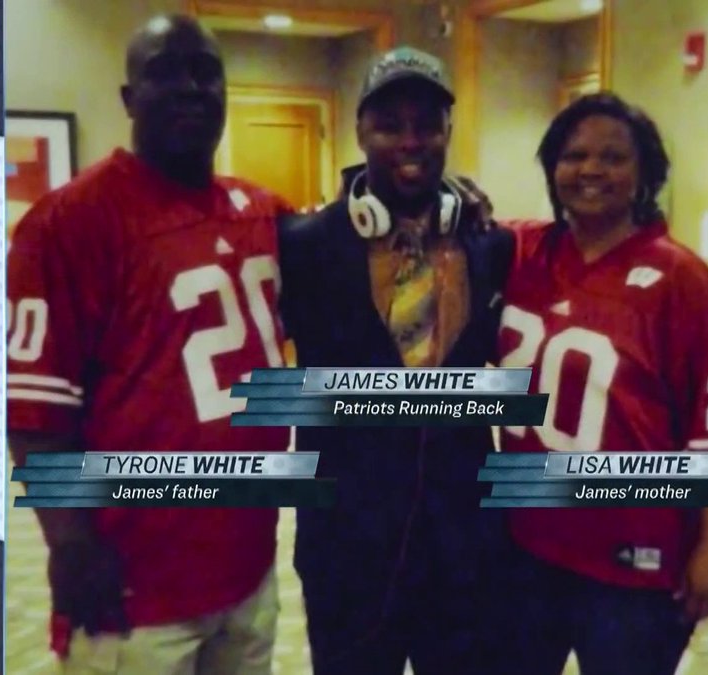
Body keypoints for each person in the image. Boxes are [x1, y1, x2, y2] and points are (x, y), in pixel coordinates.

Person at [6, 15, 293, 674]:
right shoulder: (70, 221)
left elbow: (355, 238)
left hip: (247, 565)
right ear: (129, 97)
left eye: (206, 72)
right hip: (136, 585)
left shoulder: (261, 210)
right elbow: (34, 410)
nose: (191, 88)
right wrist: (69, 541)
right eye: (165, 72)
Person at [496, 92, 708, 674]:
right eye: (574, 155)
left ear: (645, 173)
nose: (591, 169)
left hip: (633, 556)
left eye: (613, 157)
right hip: (528, 542)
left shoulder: (682, 280)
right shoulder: (522, 253)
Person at [278, 47, 515, 675]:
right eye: (389, 125)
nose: (410, 141)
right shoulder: (300, 247)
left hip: (462, 543)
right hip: (346, 544)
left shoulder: (489, 244)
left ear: (447, 131)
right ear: (359, 132)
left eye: (427, 124)